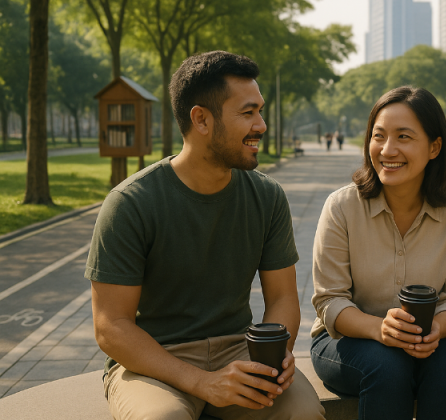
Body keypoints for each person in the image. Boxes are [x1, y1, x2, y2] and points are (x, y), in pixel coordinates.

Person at [86, 51, 324, 420]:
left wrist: (277, 353)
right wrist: (202, 382)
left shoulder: (267, 196)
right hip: (155, 361)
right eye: (248, 113)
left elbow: (282, 299)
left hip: (239, 350)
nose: (261, 125)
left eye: (260, 111)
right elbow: (111, 327)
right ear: (201, 119)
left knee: (304, 414)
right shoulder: (131, 203)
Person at [310, 86, 446, 420]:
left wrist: (437, 330)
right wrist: (379, 329)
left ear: (434, 147)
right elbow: (329, 300)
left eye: (403, 136)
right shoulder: (342, 207)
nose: (388, 150)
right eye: (379, 136)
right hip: (345, 342)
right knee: (388, 366)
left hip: (427, 344)